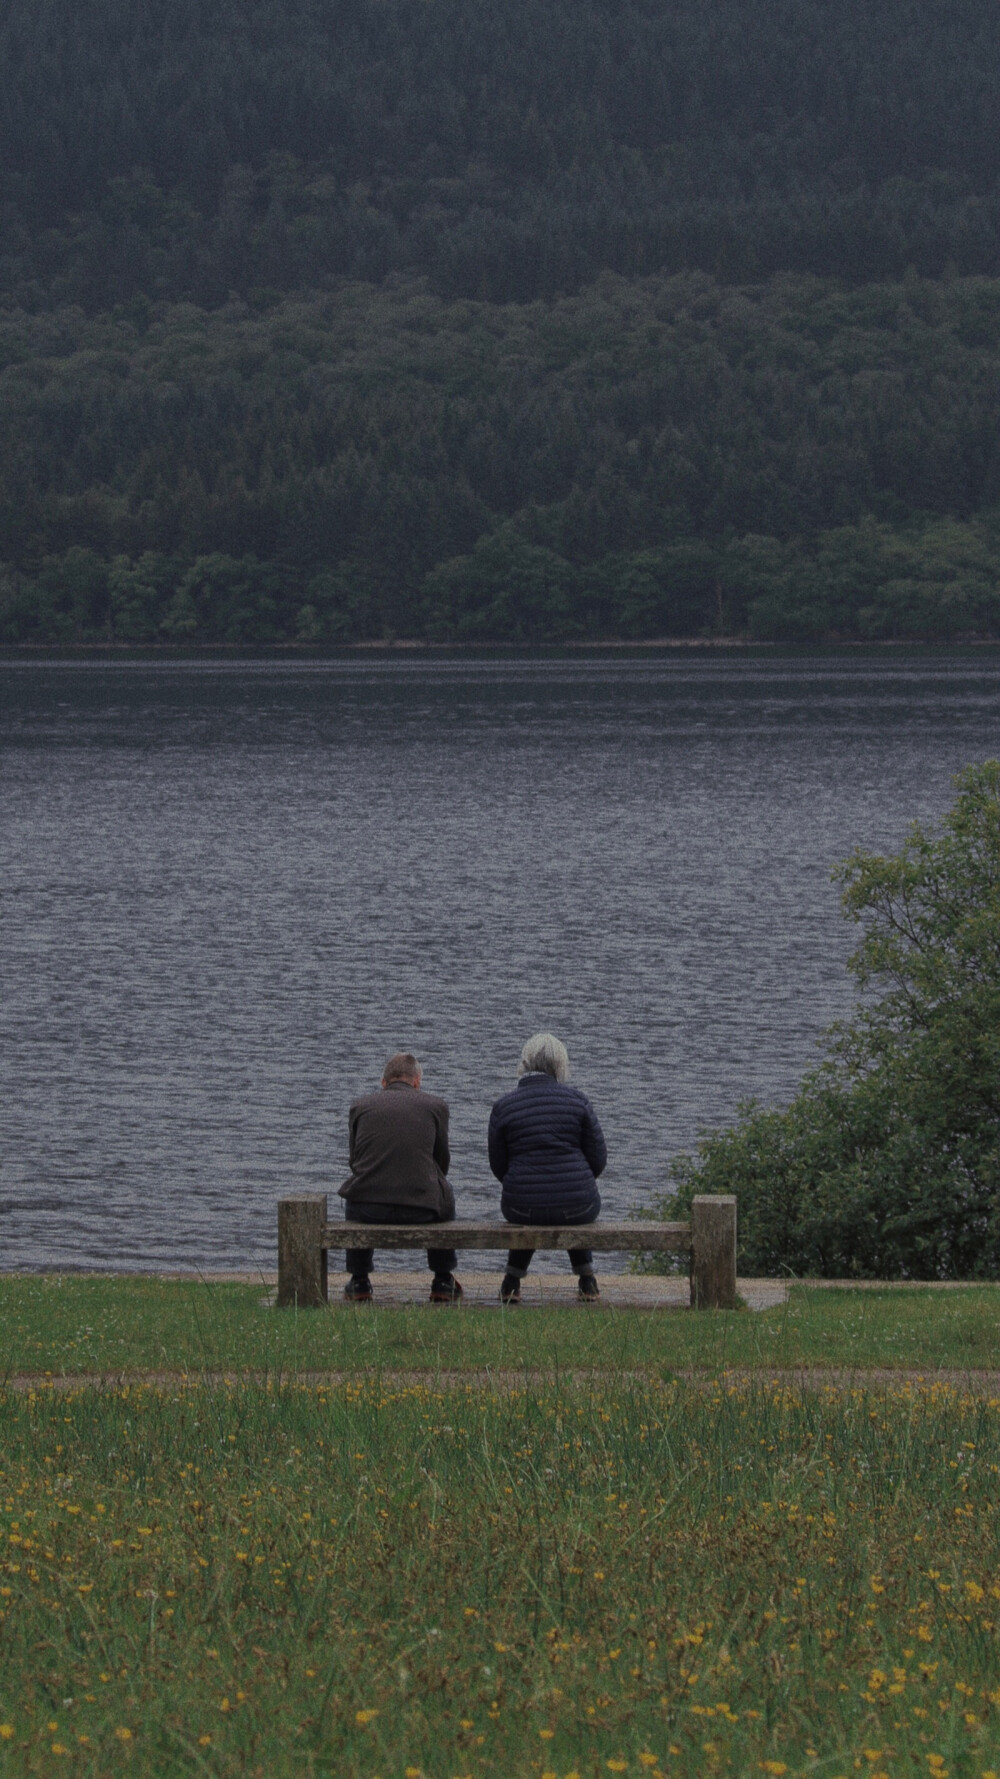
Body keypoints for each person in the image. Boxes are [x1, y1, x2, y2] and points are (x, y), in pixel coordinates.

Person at [488, 1033, 607, 1304]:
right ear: (560, 1065)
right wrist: (576, 1180)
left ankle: (511, 1282)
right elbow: (598, 1160)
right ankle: (587, 1280)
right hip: (579, 1204)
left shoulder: (503, 1106)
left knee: (533, 1204)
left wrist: (520, 1182)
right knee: (569, 1199)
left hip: (520, 1205)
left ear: (525, 1063)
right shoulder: (579, 1101)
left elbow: (498, 1165)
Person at [339, 1051, 462, 1303]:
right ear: (416, 1082)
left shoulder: (359, 1107)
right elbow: (442, 1163)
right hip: (422, 1210)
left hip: (368, 1210)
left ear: (383, 1083)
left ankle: (360, 1280)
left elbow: (355, 1162)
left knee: (356, 1191)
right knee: (444, 1193)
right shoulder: (436, 1106)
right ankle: (442, 1279)